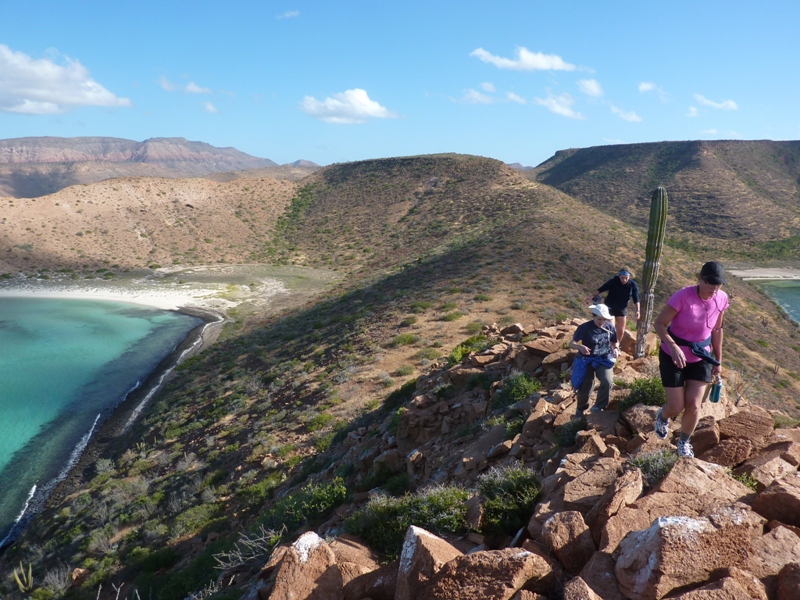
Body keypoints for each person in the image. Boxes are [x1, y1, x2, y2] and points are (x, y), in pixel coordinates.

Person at [653, 261, 728, 458]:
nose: (714, 289)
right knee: (676, 406)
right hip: (673, 354)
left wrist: (717, 360)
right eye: (710, 283)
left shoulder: (721, 299)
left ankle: (684, 443)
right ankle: (662, 416)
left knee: (694, 405)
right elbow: (659, 324)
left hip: (701, 355)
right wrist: (673, 346)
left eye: (718, 285)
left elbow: (717, 330)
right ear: (699, 279)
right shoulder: (683, 296)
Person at [569, 304, 620, 417]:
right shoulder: (584, 327)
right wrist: (580, 347)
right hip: (586, 359)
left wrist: (615, 348)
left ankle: (599, 407)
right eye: (599, 319)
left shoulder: (610, 327)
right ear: (594, 316)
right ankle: (580, 410)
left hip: (604, 358)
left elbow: (614, 341)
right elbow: (571, 343)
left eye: (604, 319)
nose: (601, 322)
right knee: (586, 384)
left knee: (607, 381)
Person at [590, 269, 641, 343]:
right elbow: (601, 289)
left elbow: (636, 298)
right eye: (622, 278)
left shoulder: (632, 285)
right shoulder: (613, 281)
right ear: (619, 276)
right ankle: (607, 345)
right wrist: (590, 297)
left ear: (629, 277)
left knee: (621, 331)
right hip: (610, 307)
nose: (624, 280)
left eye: (626, 278)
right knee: (611, 328)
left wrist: (638, 311)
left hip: (621, 309)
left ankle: (616, 346)